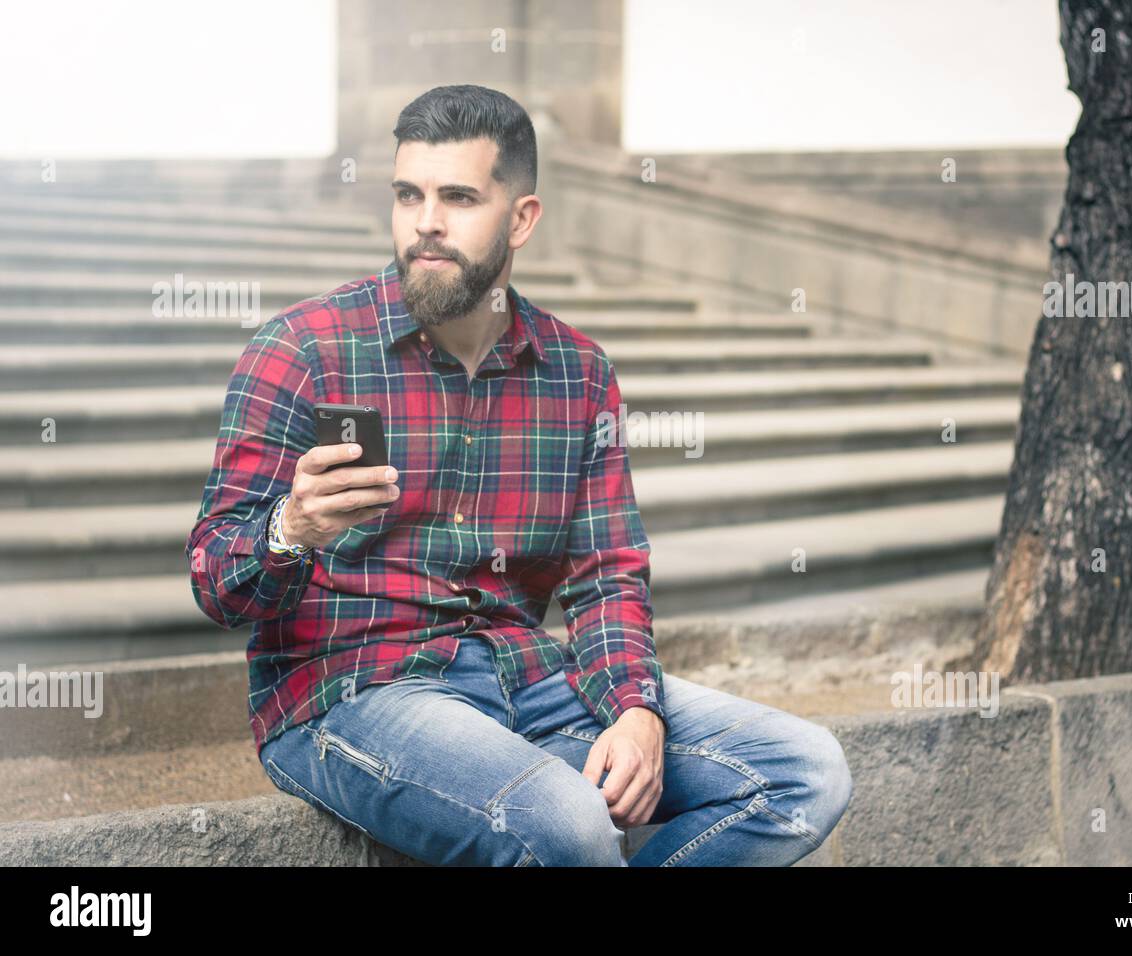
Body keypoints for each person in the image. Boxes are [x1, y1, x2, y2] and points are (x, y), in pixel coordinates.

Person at [186, 83, 852, 866]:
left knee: (805, 771)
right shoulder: (304, 349)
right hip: (351, 692)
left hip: (525, 681)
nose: (426, 223)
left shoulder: (577, 373)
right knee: (567, 822)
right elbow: (213, 580)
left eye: (458, 197)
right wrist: (289, 530)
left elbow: (607, 577)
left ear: (522, 218)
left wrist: (637, 710)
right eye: (409, 195)